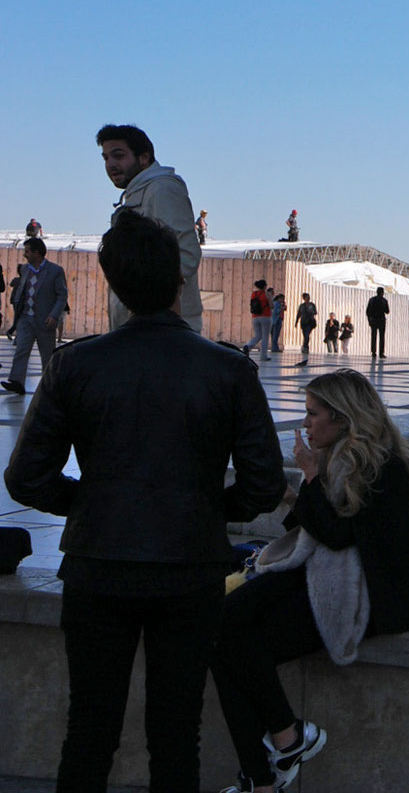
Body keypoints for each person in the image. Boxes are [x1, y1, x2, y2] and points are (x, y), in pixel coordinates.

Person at [5, 209, 284, 793]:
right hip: (189, 568)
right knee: (176, 734)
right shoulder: (228, 369)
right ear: (178, 283)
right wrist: (204, 506)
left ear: (113, 284)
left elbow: (27, 477)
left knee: (89, 729)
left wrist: (89, 502)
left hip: (98, 562)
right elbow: (262, 486)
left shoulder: (76, 364)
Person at [210, 369, 409, 793]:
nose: (305, 424)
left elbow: (338, 535)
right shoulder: (343, 458)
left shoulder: (382, 467)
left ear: (343, 417)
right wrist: (293, 495)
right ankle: (266, 773)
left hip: (364, 597)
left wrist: (308, 476)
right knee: (223, 635)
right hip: (328, 576)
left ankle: (285, 742)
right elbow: (323, 528)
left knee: (227, 632)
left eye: (312, 414)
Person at [98, 125, 203, 335]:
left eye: (118, 156)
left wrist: (148, 304)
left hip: (162, 333)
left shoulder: (162, 190)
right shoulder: (141, 192)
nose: (111, 164)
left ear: (144, 158)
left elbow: (186, 255)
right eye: (106, 158)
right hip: (143, 329)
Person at [1, 236, 69, 397]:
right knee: (21, 350)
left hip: (45, 321)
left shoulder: (55, 271)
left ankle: (49, 385)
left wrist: (54, 315)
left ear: (37, 253)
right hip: (26, 319)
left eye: (27, 252)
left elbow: (62, 295)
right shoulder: (25, 270)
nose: (25, 255)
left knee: (46, 355)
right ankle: (17, 382)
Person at [246, 281, 273, 367]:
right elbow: (271, 305)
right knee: (265, 336)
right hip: (265, 316)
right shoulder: (267, 294)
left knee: (257, 335)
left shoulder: (254, 294)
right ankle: (263, 356)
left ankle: (248, 345)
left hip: (255, 316)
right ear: (265, 286)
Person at [365, 287, 388, 360]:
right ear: (382, 293)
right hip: (381, 320)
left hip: (373, 320)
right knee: (382, 337)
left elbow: (367, 312)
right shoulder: (384, 300)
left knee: (373, 336)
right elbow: (387, 311)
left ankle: (373, 352)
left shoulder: (371, 300)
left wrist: (369, 320)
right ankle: (381, 353)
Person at [295, 296, 318, 360]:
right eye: (306, 298)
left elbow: (315, 312)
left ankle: (305, 347)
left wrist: (311, 311)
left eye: (308, 298)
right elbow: (299, 314)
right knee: (305, 335)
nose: (307, 299)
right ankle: (305, 346)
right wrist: (296, 322)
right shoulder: (302, 306)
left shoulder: (312, 305)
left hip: (310, 322)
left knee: (307, 334)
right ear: (304, 299)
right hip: (303, 322)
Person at [270, 290, 286, 355]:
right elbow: (275, 311)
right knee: (275, 334)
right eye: (282, 299)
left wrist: (283, 307)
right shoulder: (276, 303)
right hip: (276, 320)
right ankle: (274, 348)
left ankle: (275, 347)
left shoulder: (280, 304)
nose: (283, 300)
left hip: (280, 319)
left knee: (277, 334)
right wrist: (281, 308)